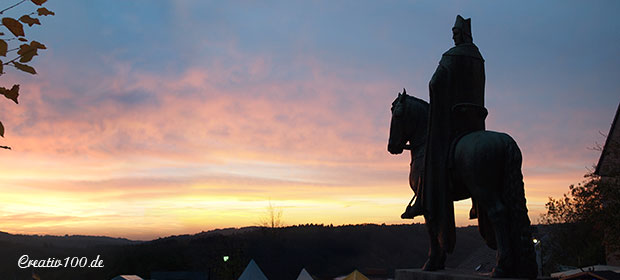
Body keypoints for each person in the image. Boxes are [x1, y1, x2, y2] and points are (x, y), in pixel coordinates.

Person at [402, 15, 487, 256]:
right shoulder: (478, 58)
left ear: (463, 35)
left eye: (456, 33)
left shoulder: (452, 56)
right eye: (453, 32)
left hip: (454, 120)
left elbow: (435, 82)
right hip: (475, 122)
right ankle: (476, 202)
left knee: (432, 157)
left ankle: (424, 197)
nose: (454, 36)